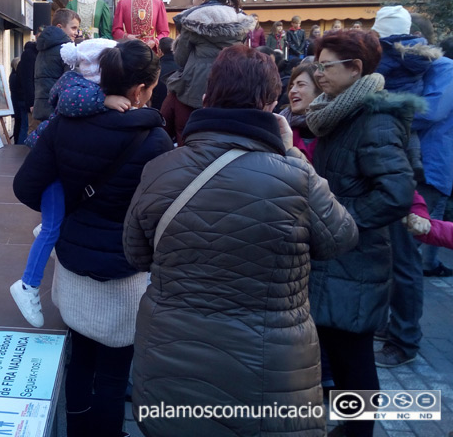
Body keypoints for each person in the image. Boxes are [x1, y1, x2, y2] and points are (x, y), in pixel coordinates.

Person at [125, 45, 357, 437]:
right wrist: (293, 154)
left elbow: (135, 252)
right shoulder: (295, 178)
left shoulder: (160, 169)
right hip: (271, 373)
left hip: (171, 355)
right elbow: (341, 238)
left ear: (205, 98)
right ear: (270, 105)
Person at [13, 40, 172, 437]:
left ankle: (78, 429)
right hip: (126, 273)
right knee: (116, 372)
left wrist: (64, 210)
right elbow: (161, 213)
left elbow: (26, 186)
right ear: (139, 91)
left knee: (80, 359)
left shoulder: (66, 123)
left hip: (72, 264)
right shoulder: (154, 140)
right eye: (152, 88)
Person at [306, 30, 416, 437]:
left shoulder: (374, 119)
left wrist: (339, 217)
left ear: (355, 69)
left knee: (354, 358)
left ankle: (357, 432)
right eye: (316, 65)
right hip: (337, 256)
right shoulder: (339, 111)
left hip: (356, 257)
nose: (318, 74)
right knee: (339, 350)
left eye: (326, 66)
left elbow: (397, 193)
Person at [11, 39, 127, 327]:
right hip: (52, 169)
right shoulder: (74, 85)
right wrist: (105, 100)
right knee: (52, 226)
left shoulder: (83, 85)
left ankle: (46, 233)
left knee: (55, 222)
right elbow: (70, 103)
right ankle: (27, 285)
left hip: (61, 167)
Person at [372, 6, 453, 370]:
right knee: (390, 252)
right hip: (398, 163)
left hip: (425, 170)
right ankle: (391, 325)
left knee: (406, 256)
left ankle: (404, 340)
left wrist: (375, 102)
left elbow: (428, 112)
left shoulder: (444, 70)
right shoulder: (400, 70)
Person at [163, 0, 253, 144]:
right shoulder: (240, 20)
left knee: (188, 134)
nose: (193, 0)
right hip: (234, 85)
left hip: (195, 88)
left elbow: (180, 59)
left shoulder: (192, 21)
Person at [33, 9, 80, 123]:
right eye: (73, 28)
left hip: (42, 107)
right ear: (60, 27)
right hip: (58, 108)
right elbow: (73, 82)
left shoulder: (43, 49)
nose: (76, 33)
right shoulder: (67, 49)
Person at [280, 61, 322, 160]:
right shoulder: (281, 127)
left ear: (319, 90)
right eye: (291, 86)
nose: (292, 91)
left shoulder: (333, 128)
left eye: (301, 85)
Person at [18, 39, 38, 133]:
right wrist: (31, 102)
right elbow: (27, 80)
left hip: (39, 100)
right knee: (32, 128)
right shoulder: (29, 55)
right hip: (34, 101)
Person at [8, 57, 27, 145]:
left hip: (15, 101)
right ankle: (19, 143)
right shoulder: (17, 76)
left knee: (18, 123)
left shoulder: (13, 75)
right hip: (19, 101)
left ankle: (17, 141)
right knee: (22, 124)